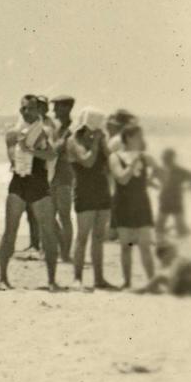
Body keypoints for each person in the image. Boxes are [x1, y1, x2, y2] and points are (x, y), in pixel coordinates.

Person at [0, 94, 62, 291]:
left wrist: (30, 149)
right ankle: (3, 278)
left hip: (39, 183)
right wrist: (22, 146)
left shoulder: (45, 131)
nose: (26, 112)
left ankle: (51, 280)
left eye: (30, 108)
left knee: (48, 232)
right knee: (10, 232)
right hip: (19, 184)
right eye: (23, 108)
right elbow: (13, 160)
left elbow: (51, 154)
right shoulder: (12, 134)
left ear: (38, 110)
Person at [67, 106, 114, 290]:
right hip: (84, 192)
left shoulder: (99, 140)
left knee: (99, 237)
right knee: (83, 237)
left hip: (101, 190)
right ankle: (77, 278)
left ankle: (99, 278)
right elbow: (87, 161)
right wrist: (95, 144)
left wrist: (103, 144)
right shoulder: (73, 141)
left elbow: (111, 160)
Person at [110, 122, 158, 289]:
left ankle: (153, 282)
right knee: (126, 246)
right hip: (123, 204)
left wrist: (151, 180)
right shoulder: (115, 157)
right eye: (139, 136)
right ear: (129, 138)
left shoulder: (146, 157)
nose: (142, 139)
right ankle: (127, 282)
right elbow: (122, 179)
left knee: (145, 245)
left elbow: (162, 173)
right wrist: (132, 163)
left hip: (141, 203)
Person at [47, 96, 77, 263]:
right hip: (52, 175)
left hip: (64, 176)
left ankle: (65, 253)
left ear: (67, 108)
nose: (54, 110)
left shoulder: (72, 129)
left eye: (57, 107)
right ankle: (62, 249)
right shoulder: (57, 127)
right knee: (49, 216)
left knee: (63, 215)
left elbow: (58, 150)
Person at [154, 147, 191, 239]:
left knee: (177, 230)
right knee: (163, 228)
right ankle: (173, 234)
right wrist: (189, 188)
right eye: (165, 158)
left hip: (173, 200)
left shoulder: (176, 171)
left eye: (166, 158)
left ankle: (173, 234)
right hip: (168, 199)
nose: (165, 160)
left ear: (172, 159)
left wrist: (188, 188)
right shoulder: (162, 170)